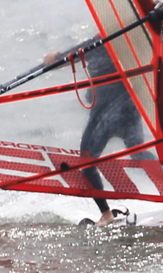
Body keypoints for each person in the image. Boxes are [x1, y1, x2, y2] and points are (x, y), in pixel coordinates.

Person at [44, 40, 149, 227]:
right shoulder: (127, 41)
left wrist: (55, 58)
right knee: (138, 152)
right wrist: (59, 57)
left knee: (87, 160)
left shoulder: (101, 44)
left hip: (106, 114)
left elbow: (57, 61)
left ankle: (106, 215)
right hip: (128, 111)